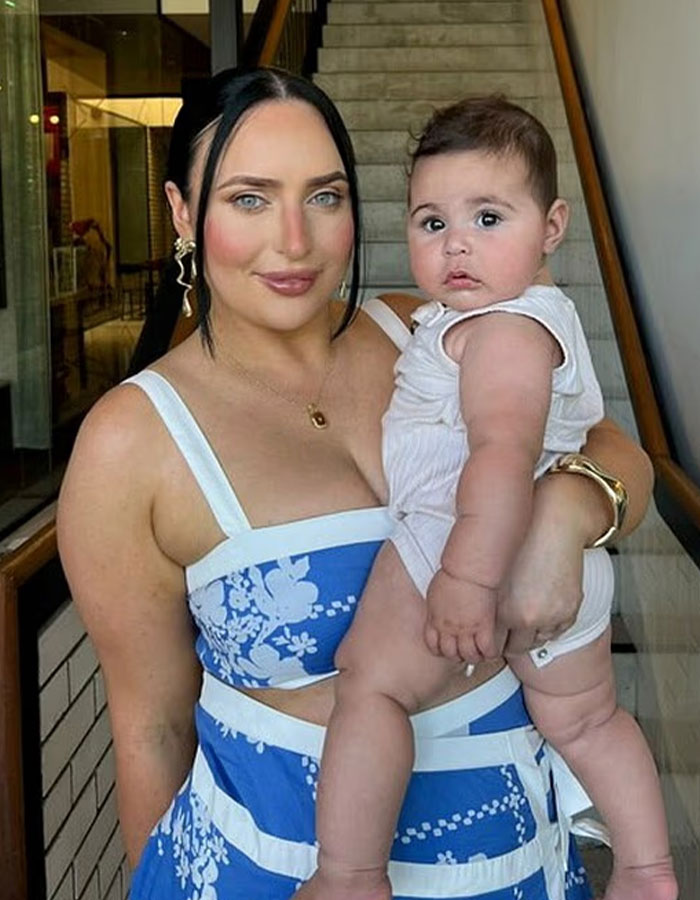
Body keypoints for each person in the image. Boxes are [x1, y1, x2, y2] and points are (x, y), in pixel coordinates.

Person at [57, 69, 654, 900]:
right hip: (272, 867)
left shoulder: (429, 327)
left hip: (513, 854)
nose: (295, 242)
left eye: (325, 196)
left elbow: (627, 459)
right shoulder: (132, 439)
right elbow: (151, 728)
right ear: (184, 213)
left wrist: (564, 515)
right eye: (250, 199)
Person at [300, 97, 676, 900]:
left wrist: (468, 579)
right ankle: (647, 866)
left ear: (552, 226)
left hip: (462, 542)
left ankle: (349, 874)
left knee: (371, 685)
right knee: (586, 720)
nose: (456, 243)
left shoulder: (499, 330)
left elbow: (503, 452)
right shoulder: (517, 318)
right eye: (431, 222)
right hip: (557, 567)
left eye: (488, 217)